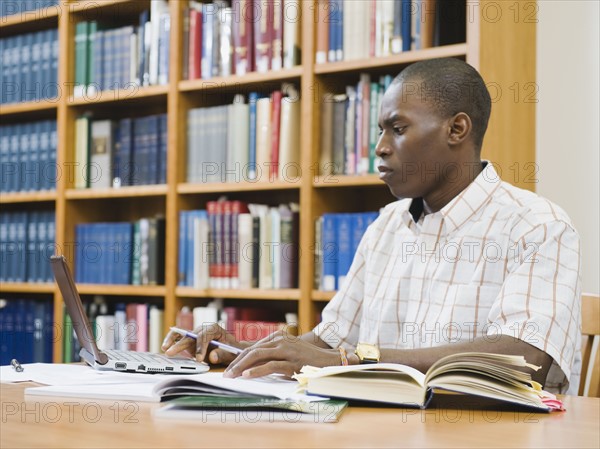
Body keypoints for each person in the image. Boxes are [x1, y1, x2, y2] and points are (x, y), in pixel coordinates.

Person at [162, 58, 582, 394]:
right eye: (380, 131)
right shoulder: (388, 224)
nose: (380, 148)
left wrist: (351, 361)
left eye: (397, 129)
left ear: (457, 129)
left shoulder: (537, 225)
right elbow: (328, 342)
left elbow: (524, 356)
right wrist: (235, 349)